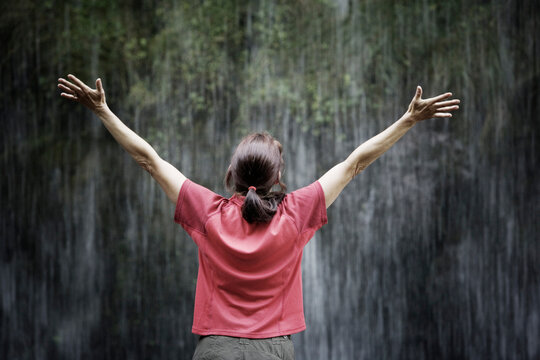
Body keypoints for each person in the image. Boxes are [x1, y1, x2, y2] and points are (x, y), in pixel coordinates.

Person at [58, 74, 459, 359]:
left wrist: (103, 111)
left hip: (215, 350)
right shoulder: (298, 213)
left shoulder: (207, 212)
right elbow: (355, 163)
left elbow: (148, 159)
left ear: (231, 174)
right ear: (278, 177)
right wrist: (409, 119)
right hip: (275, 350)